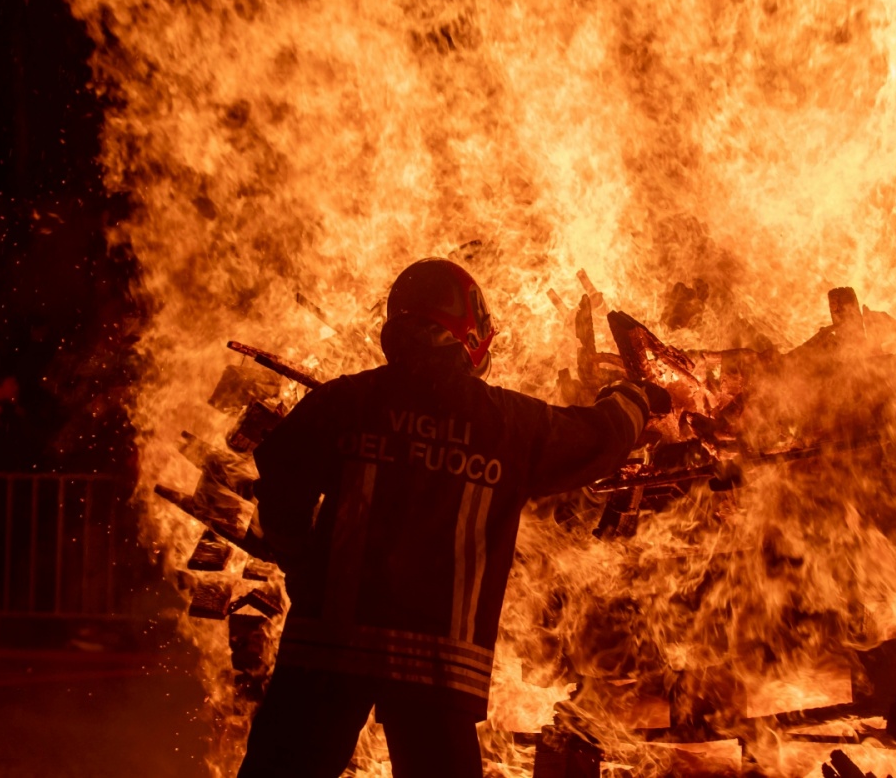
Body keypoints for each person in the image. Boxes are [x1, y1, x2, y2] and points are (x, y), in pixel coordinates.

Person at [237, 259, 656, 778]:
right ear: (468, 334)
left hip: (326, 647)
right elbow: (598, 440)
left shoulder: (343, 402)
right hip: (435, 665)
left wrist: (302, 567)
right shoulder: (502, 423)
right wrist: (636, 395)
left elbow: (280, 477)